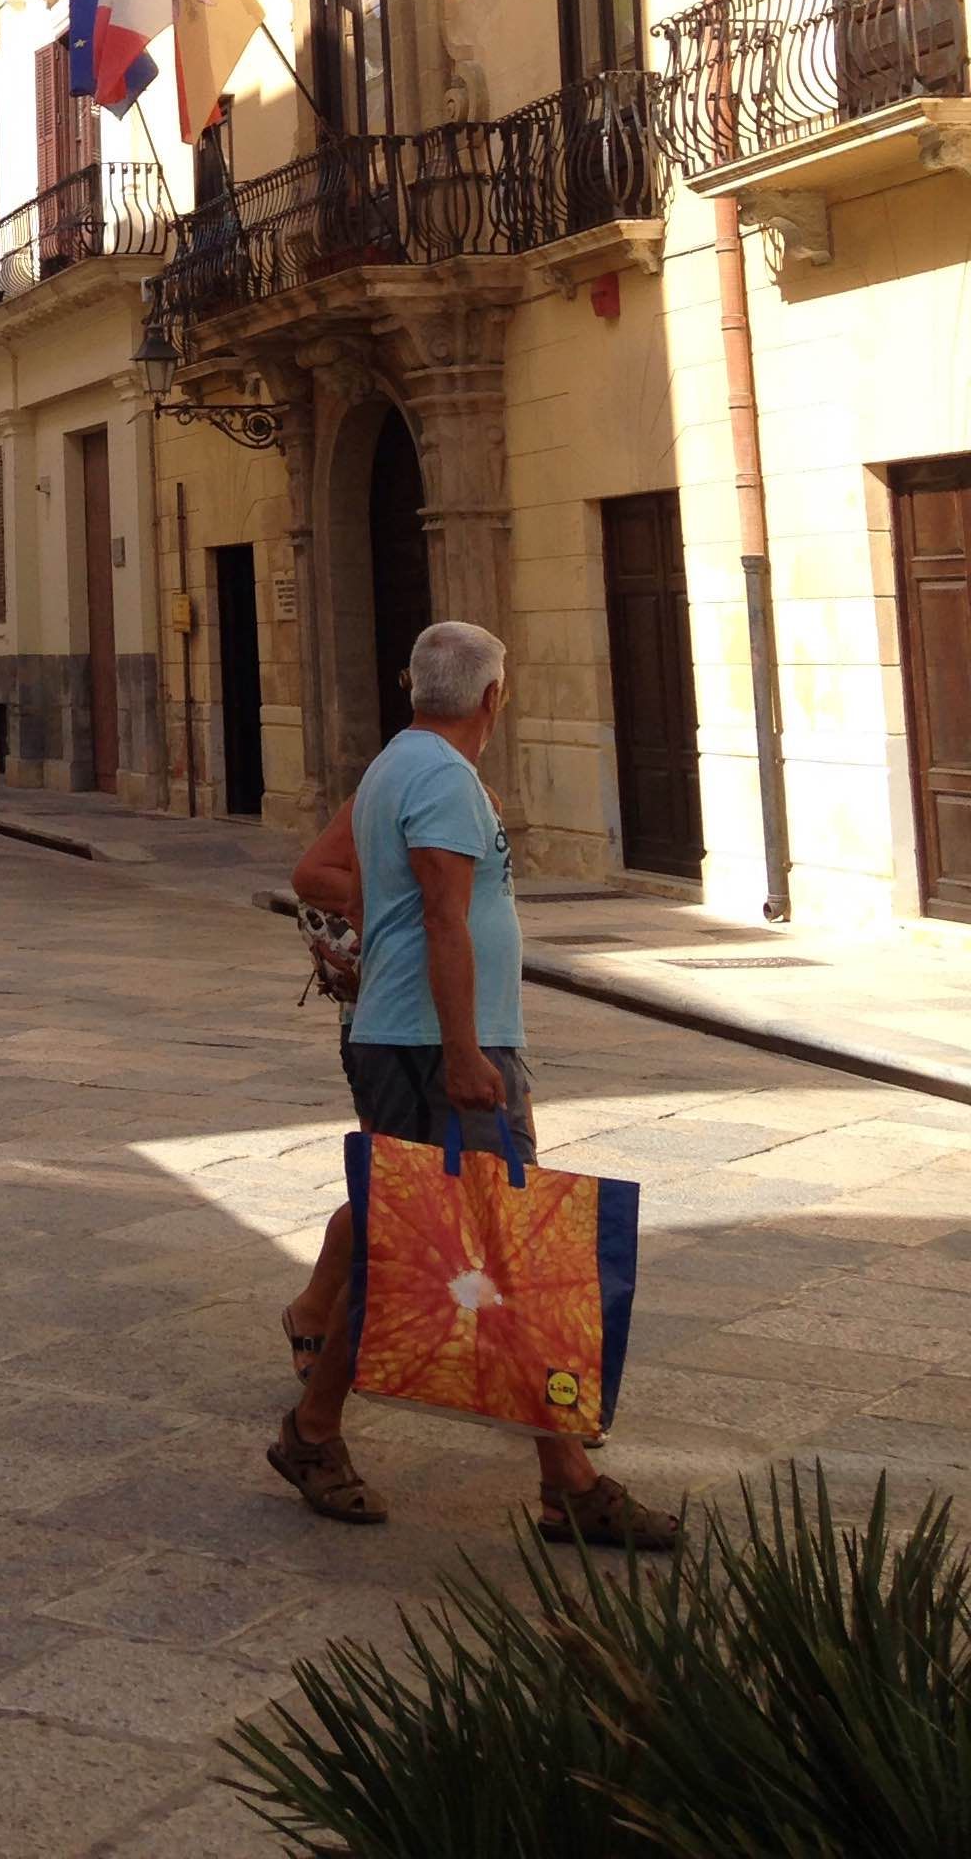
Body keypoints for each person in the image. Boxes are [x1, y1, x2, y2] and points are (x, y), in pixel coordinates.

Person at [267, 621, 682, 1550]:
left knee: (432, 1250)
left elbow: (392, 898)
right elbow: (448, 920)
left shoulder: (396, 762)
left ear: (415, 687)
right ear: (495, 697)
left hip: (409, 1037)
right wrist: (465, 1054)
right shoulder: (445, 779)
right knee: (492, 1255)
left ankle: (330, 1434)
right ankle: (551, 1479)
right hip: (434, 1048)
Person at [278, 793, 361, 1383]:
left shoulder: (474, 791)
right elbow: (310, 876)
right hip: (405, 1025)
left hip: (484, 1025)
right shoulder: (401, 778)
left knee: (405, 1190)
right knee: (395, 1192)